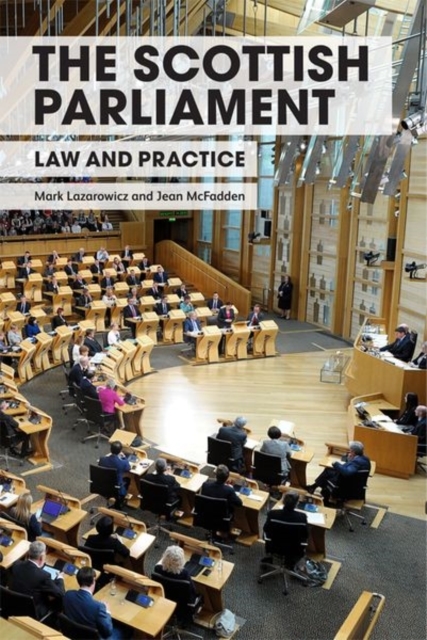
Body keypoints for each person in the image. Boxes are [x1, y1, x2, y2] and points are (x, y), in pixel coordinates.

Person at [9, 540, 65, 619]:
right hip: (33, 612)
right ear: (42, 557)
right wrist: (60, 578)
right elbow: (60, 594)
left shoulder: (16, 564)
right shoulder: (43, 576)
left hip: (13, 605)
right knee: (59, 600)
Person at [63, 566, 118, 639]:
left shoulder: (68, 594)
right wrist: (107, 611)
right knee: (124, 630)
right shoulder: (98, 607)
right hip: (92, 637)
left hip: (72, 634)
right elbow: (108, 632)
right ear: (93, 581)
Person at [306, 441, 371, 502]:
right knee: (328, 470)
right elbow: (351, 467)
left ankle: (324, 499)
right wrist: (349, 459)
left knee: (327, 473)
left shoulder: (357, 462)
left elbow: (347, 473)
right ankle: (313, 487)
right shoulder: (364, 458)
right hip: (353, 483)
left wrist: (336, 464)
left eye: (350, 450)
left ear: (353, 452)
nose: (349, 452)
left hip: (348, 488)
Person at [262, 490, 308, 569]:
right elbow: (305, 535)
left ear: (283, 501)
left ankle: (270, 556)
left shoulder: (273, 514)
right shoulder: (302, 517)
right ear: (297, 503)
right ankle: (290, 562)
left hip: (274, 546)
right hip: (295, 549)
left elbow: (266, 529)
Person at [98, 441, 131, 506]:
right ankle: (120, 501)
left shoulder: (102, 459)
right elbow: (128, 468)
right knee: (127, 479)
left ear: (110, 449)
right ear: (120, 451)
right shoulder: (122, 463)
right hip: (116, 487)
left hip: (103, 485)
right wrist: (124, 457)